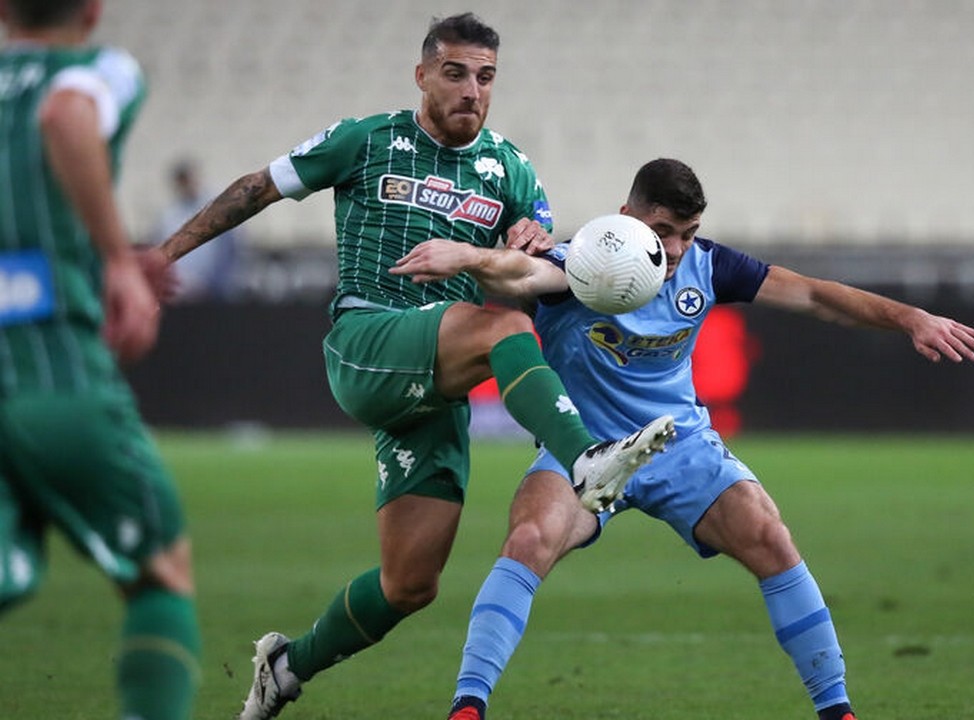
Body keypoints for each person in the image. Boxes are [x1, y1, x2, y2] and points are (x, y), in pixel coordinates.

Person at [147, 13, 674, 719]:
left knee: (410, 584)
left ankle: (286, 666)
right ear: (422, 75)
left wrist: (530, 240)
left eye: (485, 77)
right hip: (368, 340)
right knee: (504, 328)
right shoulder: (366, 139)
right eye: (455, 73)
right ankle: (587, 460)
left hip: (434, 381)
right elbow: (255, 189)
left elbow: (535, 267)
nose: (471, 90)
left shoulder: (511, 169)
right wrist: (160, 258)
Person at [391, 158, 974, 720]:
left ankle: (838, 709)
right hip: (586, 449)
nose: (674, 249)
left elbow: (812, 294)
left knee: (769, 536)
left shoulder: (708, 265)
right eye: (662, 231)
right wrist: (469, 257)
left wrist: (910, 317)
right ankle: (467, 706)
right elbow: (522, 271)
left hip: (679, 444)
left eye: (687, 233)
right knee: (528, 539)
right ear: (626, 215)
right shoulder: (586, 263)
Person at [0, 1, 200, 719]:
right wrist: (116, 257)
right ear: (92, 10)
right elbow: (65, 114)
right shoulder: (100, 69)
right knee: (160, 573)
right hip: (53, 365)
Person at [152, 158, 242, 302]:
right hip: (179, 292)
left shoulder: (217, 207)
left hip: (212, 292)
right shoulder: (169, 216)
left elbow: (229, 251)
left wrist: (217, 285)